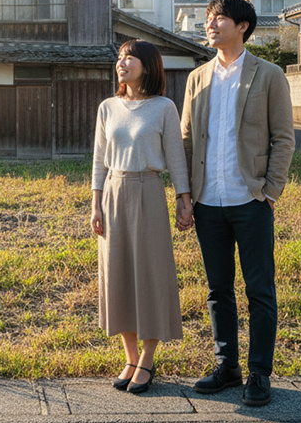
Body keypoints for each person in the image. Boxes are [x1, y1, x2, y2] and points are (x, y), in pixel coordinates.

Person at [178, 0, 295, 407]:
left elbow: (284, 137)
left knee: (260, 289)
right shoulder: (198, 77)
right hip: (209, 200)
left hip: (251, 198)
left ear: (243, 26)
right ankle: (227, 366)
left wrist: (269, 190)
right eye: (209, 18)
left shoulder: (268, 75)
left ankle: (260, 373)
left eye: (219, 18)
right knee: (217, 289)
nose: (210, 24)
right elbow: (187, 140)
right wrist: (185, 196)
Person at [91, 39, 193, 395]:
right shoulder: (108, 107)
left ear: (147, 66)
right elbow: (99, 159)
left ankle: (148, 359)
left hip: (149, 191)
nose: (122, 62)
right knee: (118, 275)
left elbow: (176, 157)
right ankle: (130, 357)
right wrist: (95, 203)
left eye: (130, 57)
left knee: (149, 275)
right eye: (120, 57)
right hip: (114, 194)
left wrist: (184, 199)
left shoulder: (164, 107)